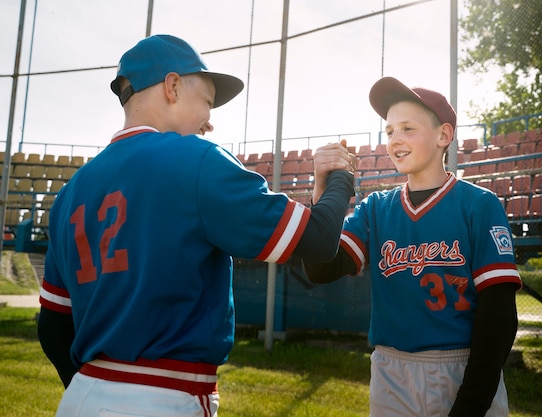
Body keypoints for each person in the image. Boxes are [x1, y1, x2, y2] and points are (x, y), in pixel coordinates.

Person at [37, 34, 355, 417]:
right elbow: (320, 241)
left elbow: (53, 329)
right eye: (206, 100)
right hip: (163, 397)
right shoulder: (196, 160)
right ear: (172, 86)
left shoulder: (71, 191)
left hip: (81, 397)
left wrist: (101, 391)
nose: (210, 120)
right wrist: (340, 177)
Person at [303, 77, 522, 417]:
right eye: (389, 131)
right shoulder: (376, 208)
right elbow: (320, 268)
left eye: (408, 128)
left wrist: (471, 403)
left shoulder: (478, 204)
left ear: (443, 136)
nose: (395, 140)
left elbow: (500, 315)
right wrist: (322, 189)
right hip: (391, 369)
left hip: (462, 366)